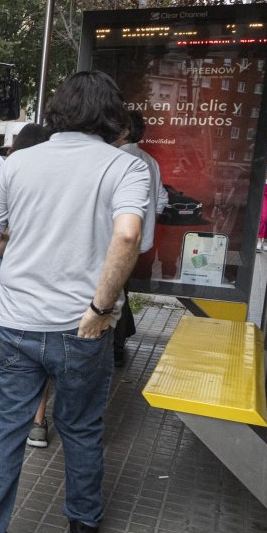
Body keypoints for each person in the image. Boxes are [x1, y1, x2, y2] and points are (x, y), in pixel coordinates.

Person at [0, 71, 152, 533]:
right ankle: (84, 522)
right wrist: (100, 309)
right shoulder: (125, 167)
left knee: (6, 428)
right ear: (110, 113)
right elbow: (129, 237)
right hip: (81, 327)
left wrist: (24, 246)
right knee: (82, 426)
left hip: (16, 323)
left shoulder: (17, 163)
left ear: (58, 109)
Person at [0, 123, 55, 450]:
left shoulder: (2, 174)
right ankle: (37, 421)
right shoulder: (55, 178)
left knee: (6, 328)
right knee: (44, 336)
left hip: (3, 259)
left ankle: (8, 392)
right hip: (47, 267)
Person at [115, 111, 168, 364]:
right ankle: (124, 334)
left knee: (114, 290)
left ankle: (116, 343)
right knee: (120, 289)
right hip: (140, 242)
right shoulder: (149, 160)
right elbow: (162, 200)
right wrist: (145, 226)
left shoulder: (115, 160)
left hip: (115, 240)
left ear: (124, 131)